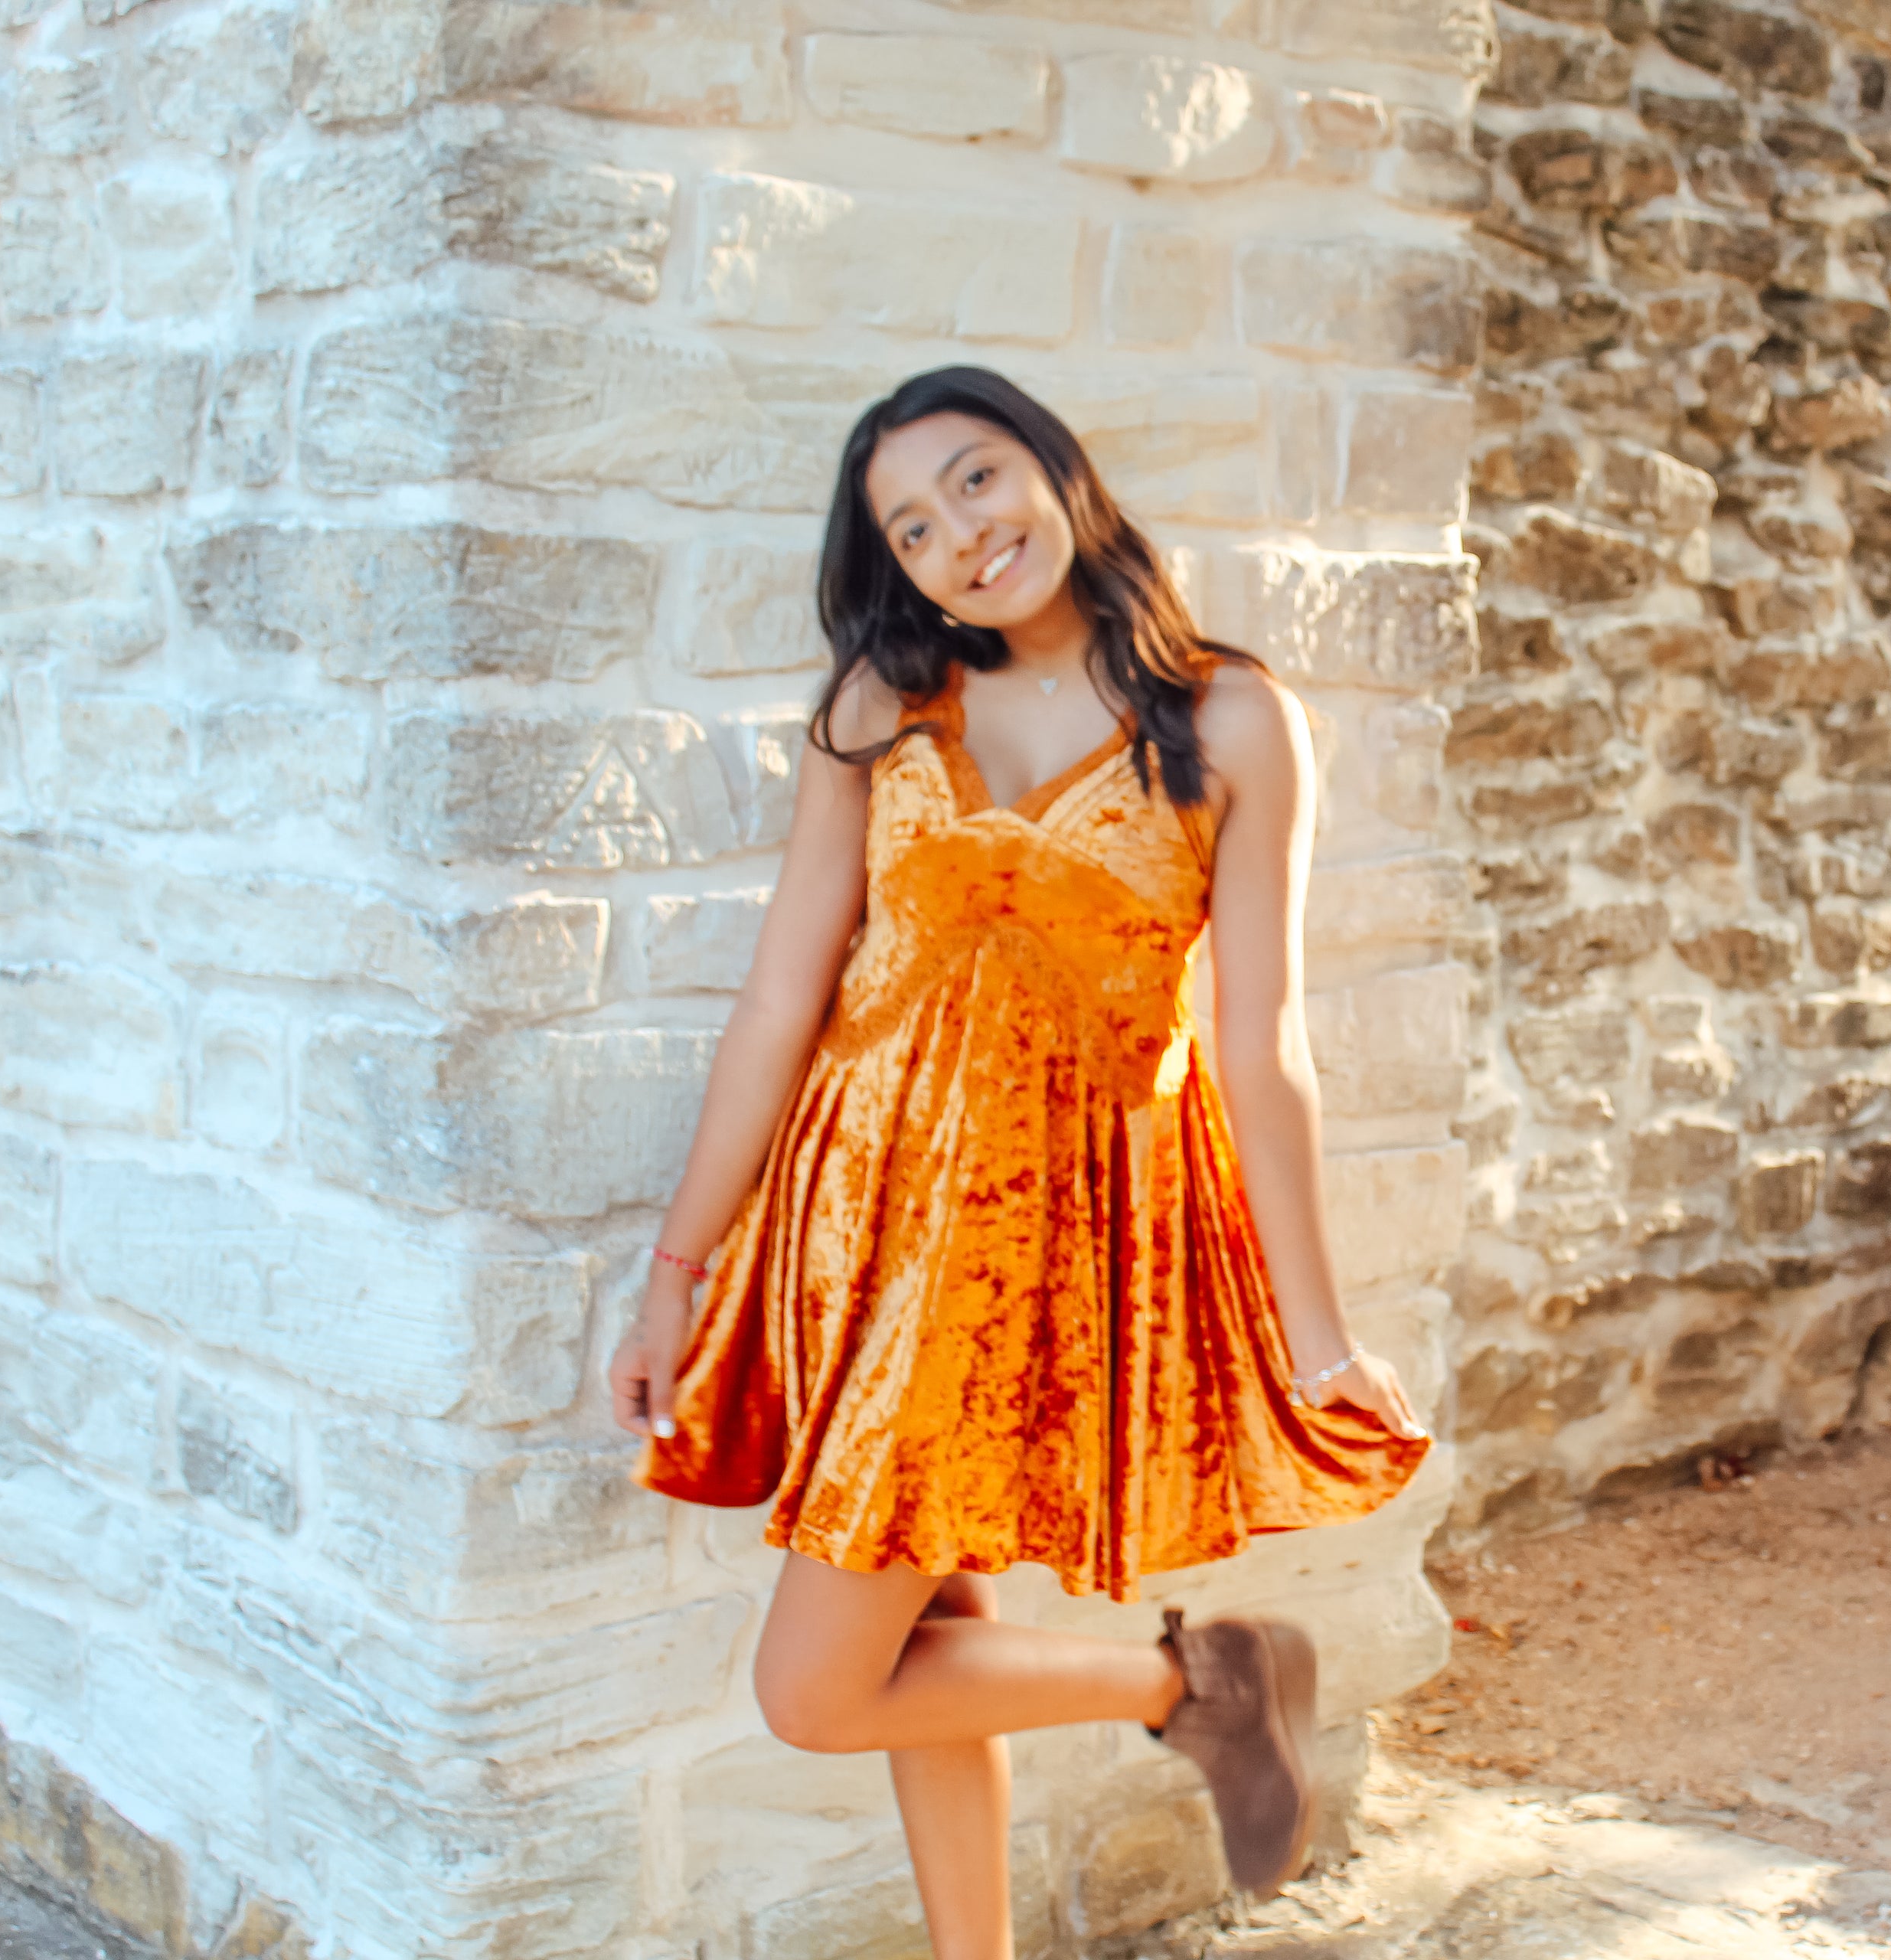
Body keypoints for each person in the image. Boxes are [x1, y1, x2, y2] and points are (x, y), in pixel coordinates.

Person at [611, 365, 1433, 1959]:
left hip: (1047, 1240)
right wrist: (679, 1273)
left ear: (1056, 465)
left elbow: (1260, 1043)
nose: (959, 536)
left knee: (816, 1683)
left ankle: (1198, 1680)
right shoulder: (880, 703)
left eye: (978, 480)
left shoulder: (1232, 715)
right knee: (928, 1625)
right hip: (862, 1229)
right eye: (913, 527)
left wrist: (1320, 1338)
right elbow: (783, 995)